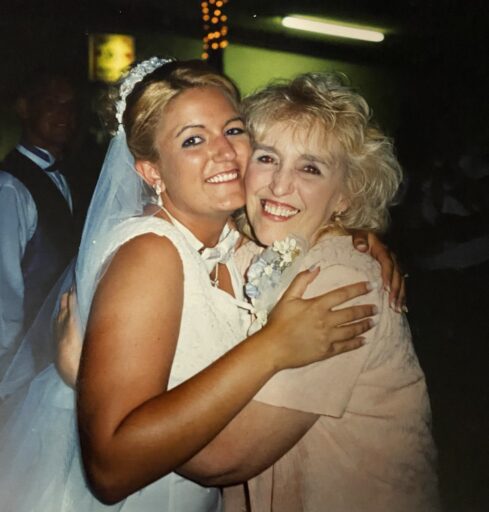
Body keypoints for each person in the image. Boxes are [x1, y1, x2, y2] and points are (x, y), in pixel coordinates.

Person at [0, 59, 377, 512]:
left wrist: (357, 236)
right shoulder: (151, 254)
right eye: (193, 140)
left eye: (233, 130)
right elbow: (111, 470)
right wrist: (273, 347)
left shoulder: (232, 242)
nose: (225, 152)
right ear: (151, 172)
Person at [200, 72, 437, 511]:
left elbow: (224, 458)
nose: (279, 185)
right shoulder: (244, 247)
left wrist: (124, 426)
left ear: (345, 195)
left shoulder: (342, 281)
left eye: (310, 168)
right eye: (267, 158)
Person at [0, 69, 78, 378]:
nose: (64, 114)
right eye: (51, 103)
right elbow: (4, 289)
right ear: (24, 108)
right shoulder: (9, 187)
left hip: (56, 350)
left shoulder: (70, 175)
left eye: (70, 105)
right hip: (22, 360)